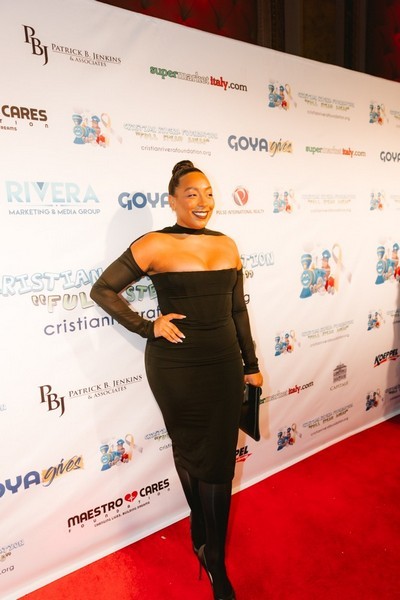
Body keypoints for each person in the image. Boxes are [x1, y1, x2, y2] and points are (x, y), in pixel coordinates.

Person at [90, 160, 263, 600]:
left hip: (223, 364)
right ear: (172, 200)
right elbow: (102, 290)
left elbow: (238, 310)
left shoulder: (227, 245)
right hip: (175, 367)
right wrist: (146, 325)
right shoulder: (154, 243)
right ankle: (203, 536)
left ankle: (212, 555)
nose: (203, 202)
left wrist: (250, 363)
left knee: (219, 460)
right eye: (191, 194)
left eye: (208, 193)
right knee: (188, 447)